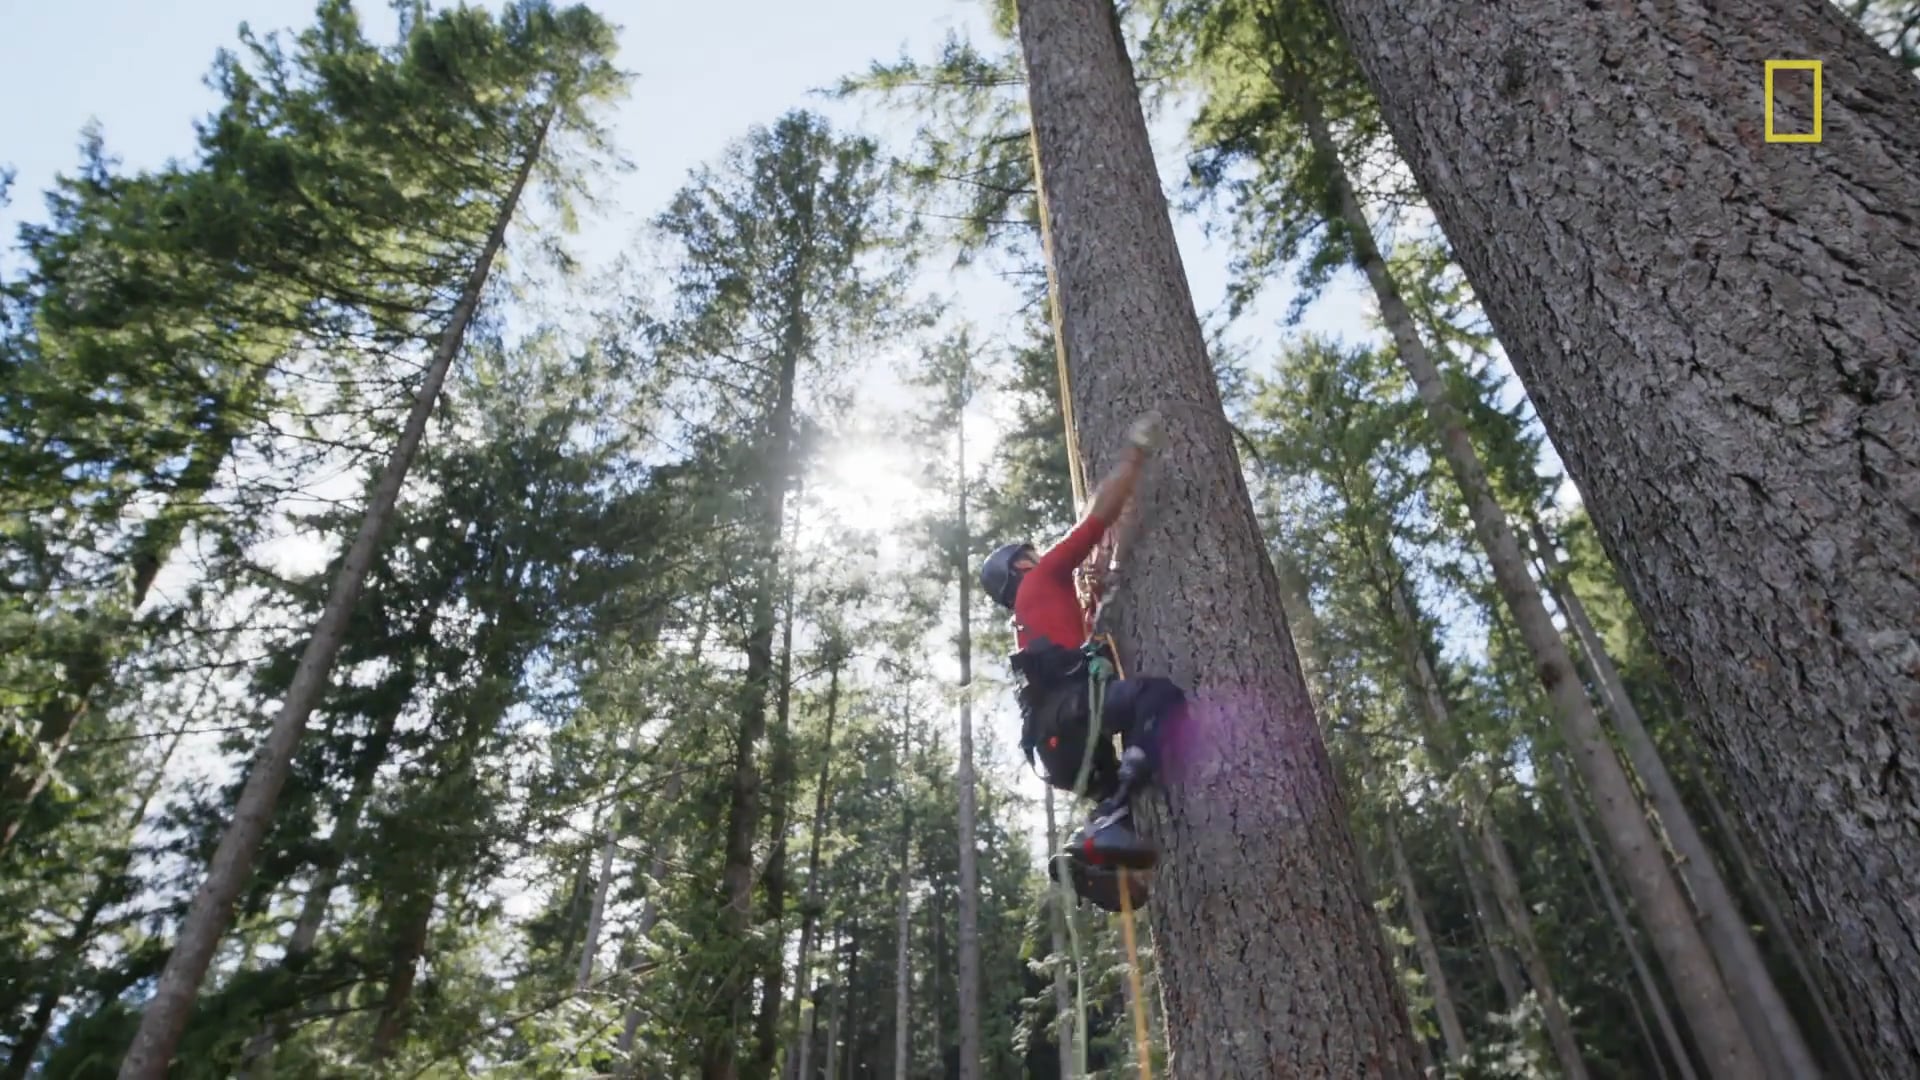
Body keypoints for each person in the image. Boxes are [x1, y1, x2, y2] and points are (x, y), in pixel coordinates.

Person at [979, 413, 1189, 911]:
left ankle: (1100, 852)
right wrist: (1133, 459)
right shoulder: (1040, 580)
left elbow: (1092, 620)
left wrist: (1101, 577)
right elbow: (1095, 523)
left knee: (1129, 796)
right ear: (1020, 566)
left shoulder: (1039, 620)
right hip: (1073, 715)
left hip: (1058, 747)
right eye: (1030, 554)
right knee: (1158, 698)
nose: (1038, 555)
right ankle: (1105, 825)